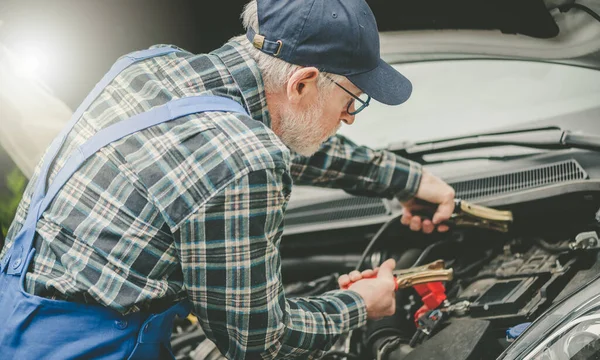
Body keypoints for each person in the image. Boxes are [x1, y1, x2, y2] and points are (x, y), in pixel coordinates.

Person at [0, 0, 455, 358]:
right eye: (353, 100)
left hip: (15, 321)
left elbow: (265, 138)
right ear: (302, 83)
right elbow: (261, 343)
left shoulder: (149, 67)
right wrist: (362, 304)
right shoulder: (244, 158)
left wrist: (408, 180)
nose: (349, 118)